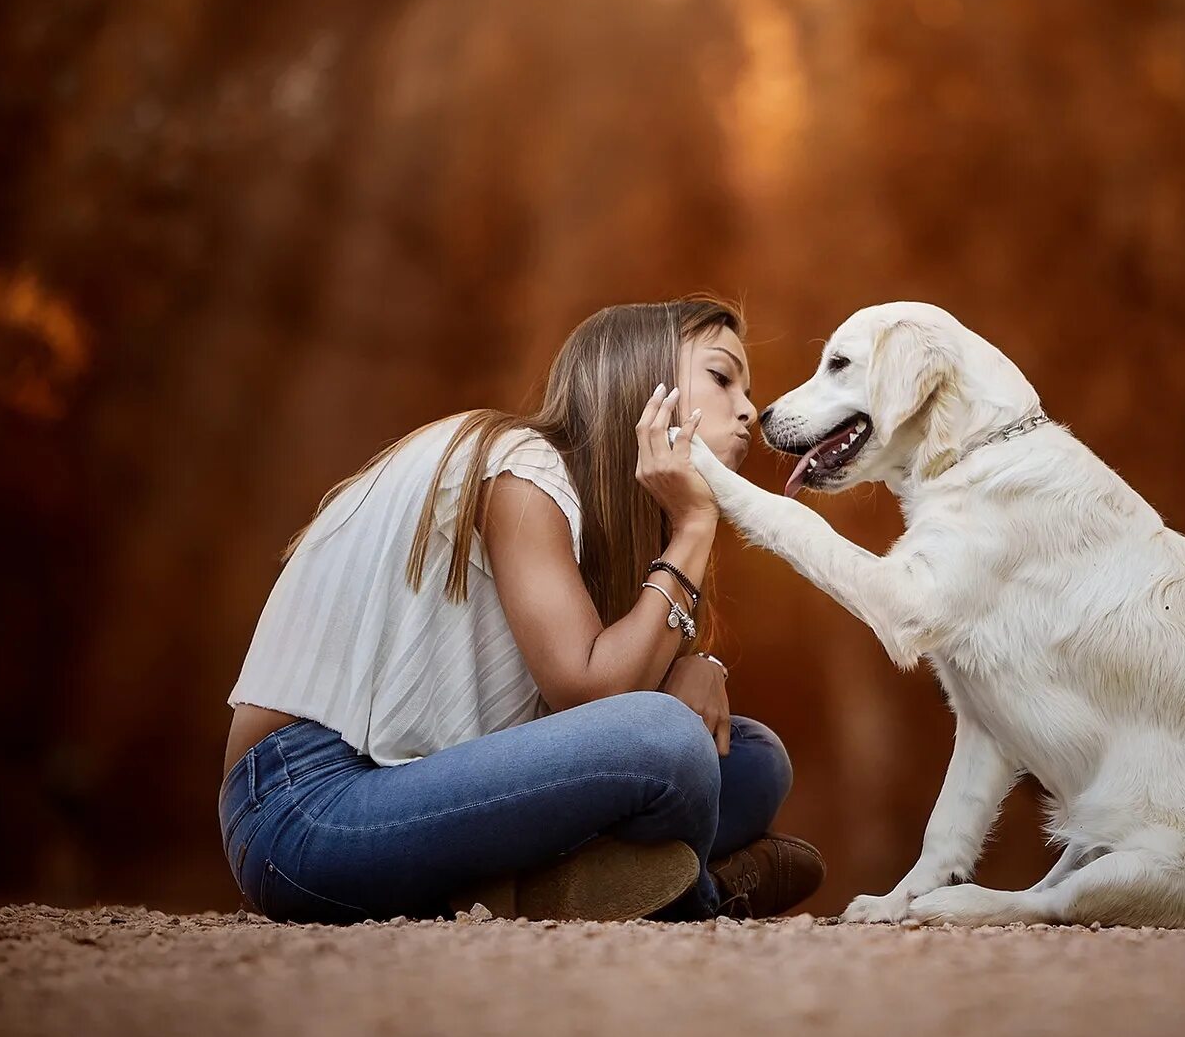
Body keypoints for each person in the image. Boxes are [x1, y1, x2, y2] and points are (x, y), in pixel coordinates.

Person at [217, 296, 823, 923]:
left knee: (753, 759)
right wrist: (694, 527)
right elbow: (595, 695)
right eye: (722, 377)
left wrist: (691, 665)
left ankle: (573, 888)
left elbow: (604, 699)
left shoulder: (582, 516)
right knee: (669, 740)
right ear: (648, 383)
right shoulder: (520, 464)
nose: (750, 408)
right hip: (303, 806)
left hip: (414, 792)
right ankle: (702, 896)